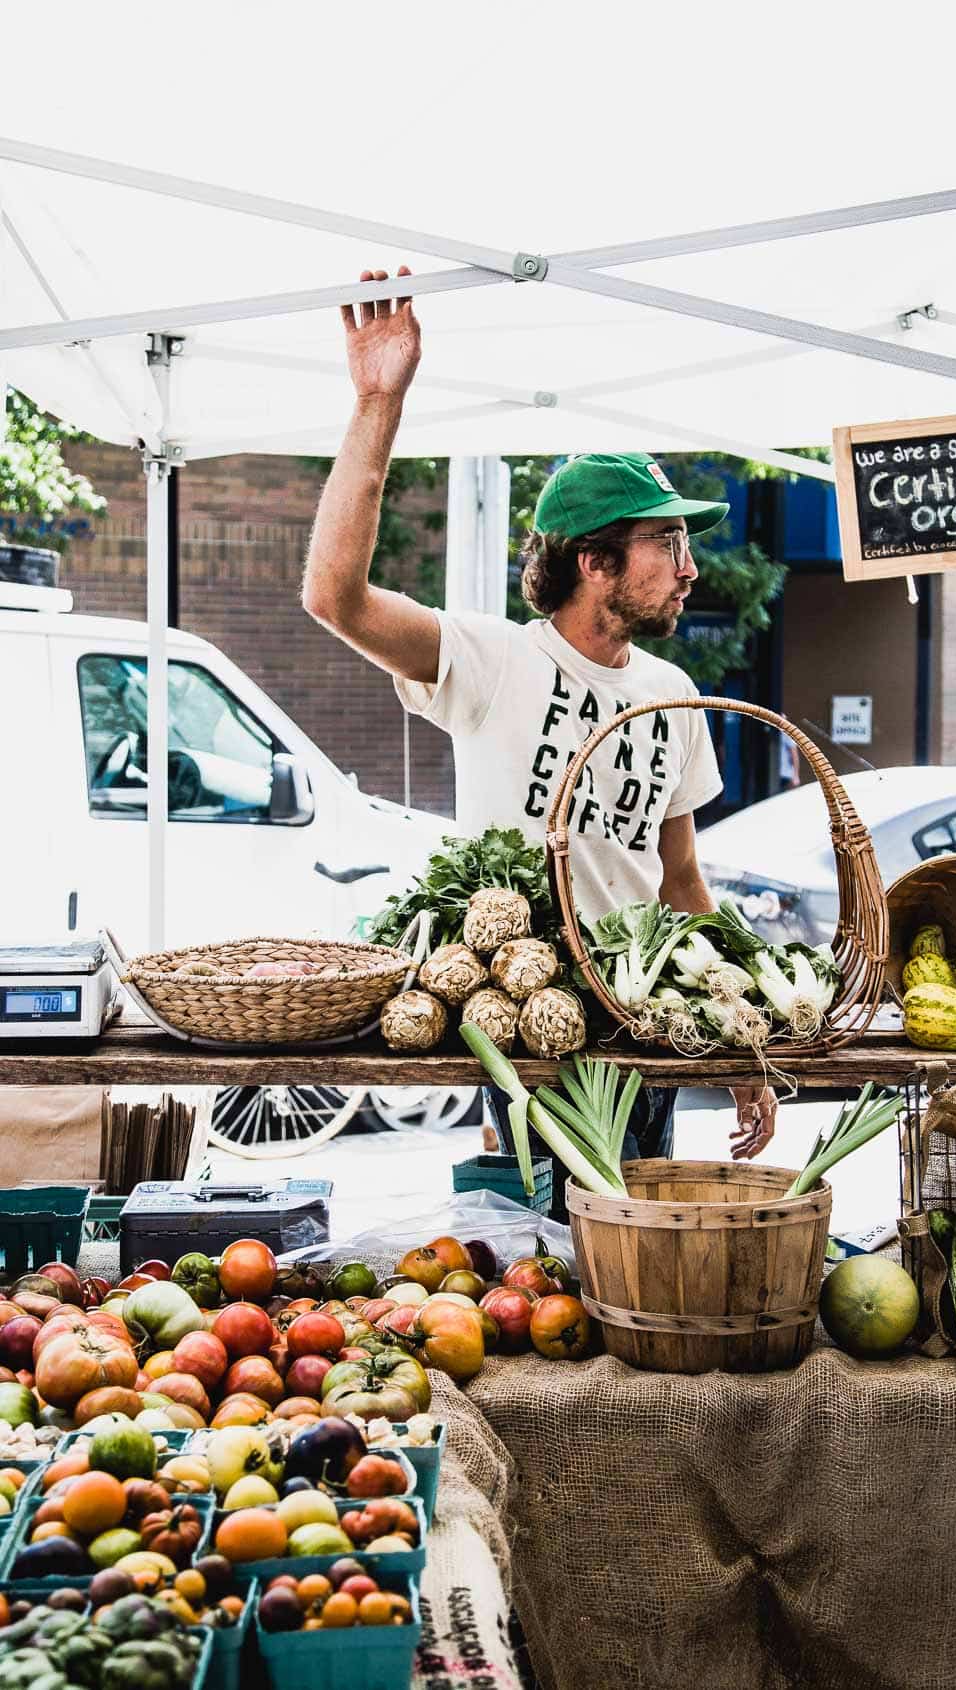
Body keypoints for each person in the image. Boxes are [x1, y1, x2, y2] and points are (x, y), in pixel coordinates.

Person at [302, 267, 778, 1213]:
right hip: (528, 1021)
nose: (689, 569)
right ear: (595, 561)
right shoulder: (490, 662)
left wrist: (740, 1040)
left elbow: (680, 884)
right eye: (666, 545)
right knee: (545, 1271)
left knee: (634, 1250)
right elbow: (333, 598)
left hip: (640, 1025)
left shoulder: (673, 693)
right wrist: (376, 404)